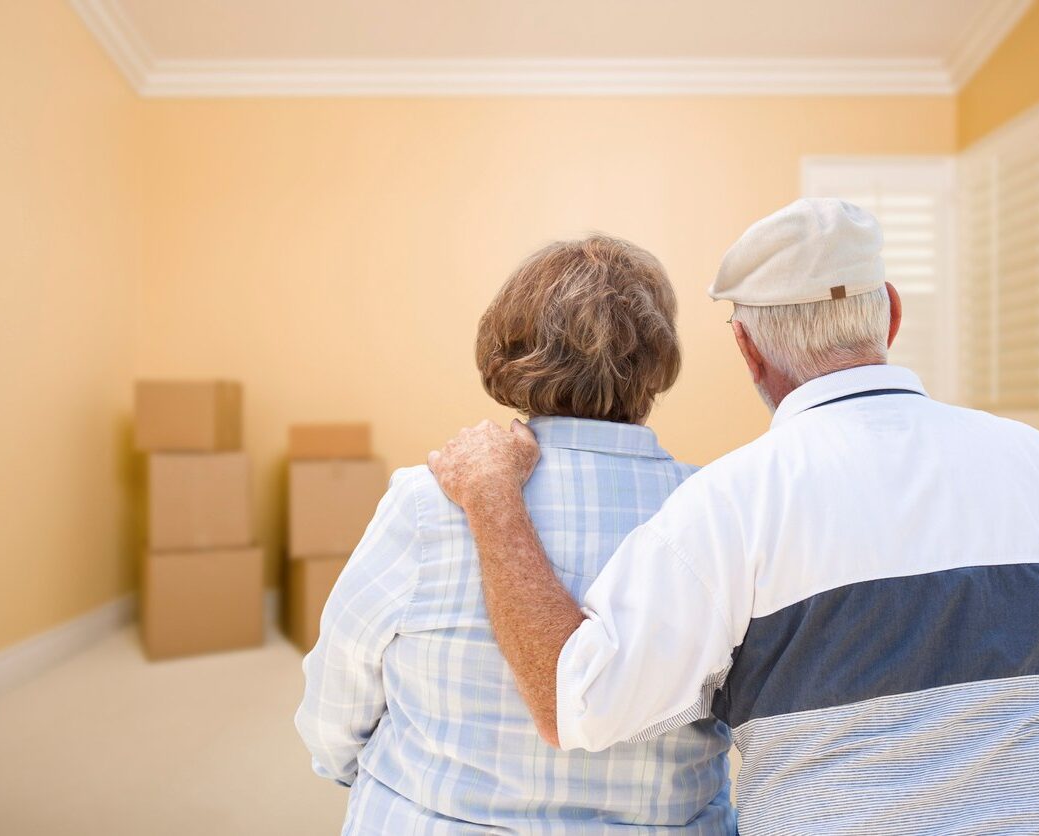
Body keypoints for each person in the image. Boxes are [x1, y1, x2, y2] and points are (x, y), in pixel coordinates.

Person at [427, 199, 1039, 834]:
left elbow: (573, 702)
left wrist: (492, 496)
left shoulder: (732, 500)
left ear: (746, 349)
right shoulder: (1027, 458)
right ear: (889, 312)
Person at [295, 236, 735, 834]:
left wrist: (364, 777)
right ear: (658, 360)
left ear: (508, 347)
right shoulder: (718, 510)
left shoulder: (429, 500)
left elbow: (339, 690)